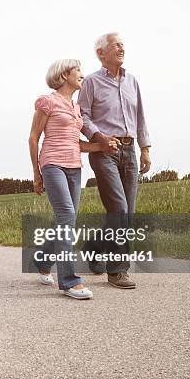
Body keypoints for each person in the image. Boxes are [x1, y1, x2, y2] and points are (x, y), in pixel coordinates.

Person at [28, 59, 118, 300]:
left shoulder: (76, 107)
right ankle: (69, 281)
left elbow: (76, 143)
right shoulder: (48, 101)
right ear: (64, 75)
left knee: (66, 219)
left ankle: (42, 260)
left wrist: (102, 146)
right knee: (67, 215)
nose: (82, 74)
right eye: (78, 70)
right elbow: (34, 137)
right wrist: (37, 173)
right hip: (52, 164)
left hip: (74, 166)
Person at [77, 32, 152, 289]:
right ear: (101, 53)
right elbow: (82, 117)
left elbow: (140, 116)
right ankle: (118, 270)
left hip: (130, 151)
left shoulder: (132, 81)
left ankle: (94, 246)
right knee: (119, 208)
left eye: (122, 44)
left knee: (126, 213)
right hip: (103, 152)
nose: (121, 47)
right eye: (115, 44)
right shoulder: (91, 83)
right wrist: (99, 136)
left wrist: (145, 148)